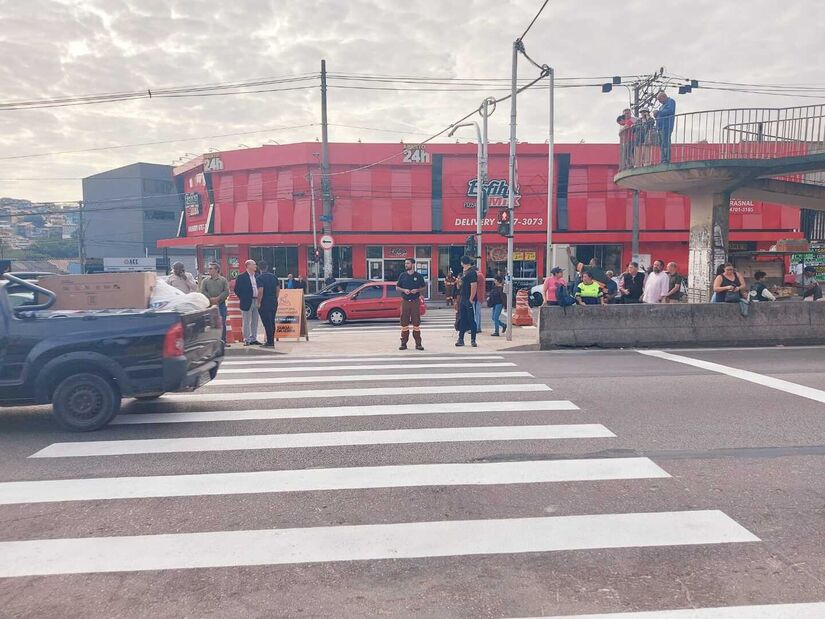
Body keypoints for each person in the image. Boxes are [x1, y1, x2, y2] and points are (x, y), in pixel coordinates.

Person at [396, 258, 426, 350]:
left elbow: (424, 287)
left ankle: (418, 344)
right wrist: (404, 290)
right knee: (404, 323)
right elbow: (397, 287)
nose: (406, 265)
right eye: (405, 263)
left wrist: (417, 290)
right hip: (405, 301)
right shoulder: (402, 275)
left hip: (415, 301)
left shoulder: (418, 276)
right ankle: (403, 343)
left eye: (407, 263)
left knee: (416, 323)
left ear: (413, 264)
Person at [200, 262, 230, 345]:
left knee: (222, 322)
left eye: (211, 269)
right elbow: (202, 291)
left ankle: (223, 341)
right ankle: (211, 342)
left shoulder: (223, 280)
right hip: (209, 305)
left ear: (217, 270)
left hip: (221, 304)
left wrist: (218, 298)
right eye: (209, 268)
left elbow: (226, 291)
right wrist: (210, 299)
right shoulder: (205, 281)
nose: (209, 270)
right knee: (209, 324)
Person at [234, 259, 261, 345]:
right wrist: (243, 297)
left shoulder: (257, 276)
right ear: (248, 266)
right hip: (246, 301)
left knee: (255, 321)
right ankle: (247, 338)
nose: (255, 266)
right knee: (246, 321)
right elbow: (237, 289)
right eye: (253, 264)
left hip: (256, 300)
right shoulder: (241, 277)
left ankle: (254, 338)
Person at [456, 255, 478, 347]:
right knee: (462, 318)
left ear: (462, 262)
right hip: (463, 297)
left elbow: (474, 286)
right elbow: (460, 286)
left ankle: (473, 339)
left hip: (469, 299)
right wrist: (458, 282)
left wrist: (471, 298)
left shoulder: (472, 272)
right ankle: (461, 339)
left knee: (471, 319)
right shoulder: (463, 273)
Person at [256, 261, 279, 347]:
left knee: (267, 323)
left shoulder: (259, 278)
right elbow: (277, 289)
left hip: (264, 302)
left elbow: (260, 291)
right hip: (273, 301)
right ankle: (271, 340)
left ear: (259, 268)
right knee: (272, 322)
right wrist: (275, 298)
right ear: (267, 267)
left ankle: (270, 342)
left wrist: (258, 302)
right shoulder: (274, 277)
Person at [653, 91, 676, 164]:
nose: (659, 101)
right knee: (661, 143)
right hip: (660, 127)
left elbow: (670, 110)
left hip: (666, 125)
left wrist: (658, 113)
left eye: (659, 99)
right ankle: (663, 158)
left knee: (665, 142)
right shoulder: (661, 106)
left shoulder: (671, 101)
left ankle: (666, 159)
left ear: (664, 97)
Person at [474, 265, 486, 332]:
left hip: (478, 296)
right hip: (480, 296)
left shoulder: (478, 275)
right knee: (478, 313)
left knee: (476, 313)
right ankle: (478, 327)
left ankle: (476, 328)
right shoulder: (481, 275)